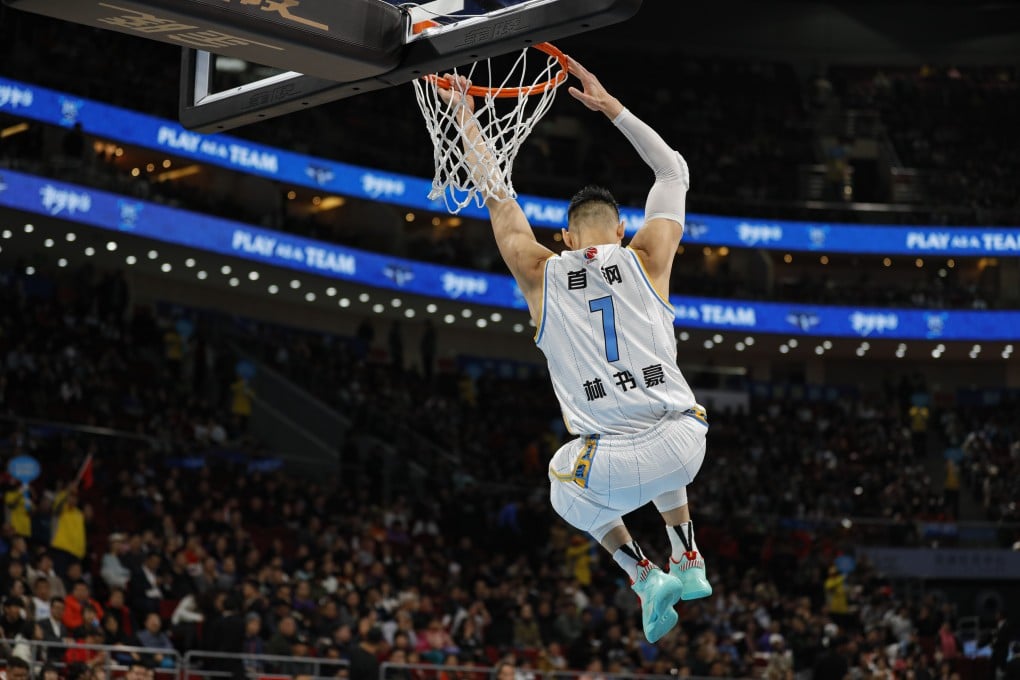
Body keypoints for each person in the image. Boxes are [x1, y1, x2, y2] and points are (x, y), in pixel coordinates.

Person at [436, 58, 710, 644]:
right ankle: (687, 554)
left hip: (613, 462)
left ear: (564, 237)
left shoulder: (540, 271)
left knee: (562, 482)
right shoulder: (649, 256)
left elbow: (497, 195)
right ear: (620, 229)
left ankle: (645, 576)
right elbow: (673, 169)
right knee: (659, 424)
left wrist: (464, 113)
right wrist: (610, 106)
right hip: (688, 444)